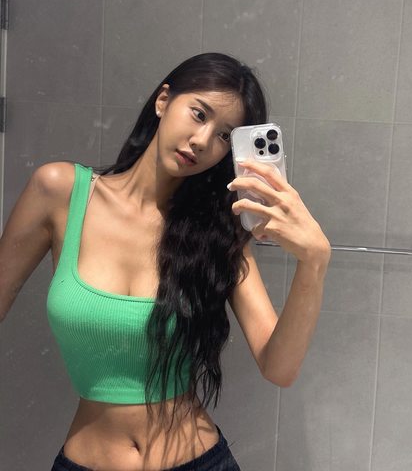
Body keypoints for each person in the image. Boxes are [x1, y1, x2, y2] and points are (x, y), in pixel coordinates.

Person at [0, 52, 331, 471]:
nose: (202, 141)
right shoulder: (60, 192)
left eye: (224, 136)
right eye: (199, 114)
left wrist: (314, 261)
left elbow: (279, 367)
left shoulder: (216, 232)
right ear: (163, 101)